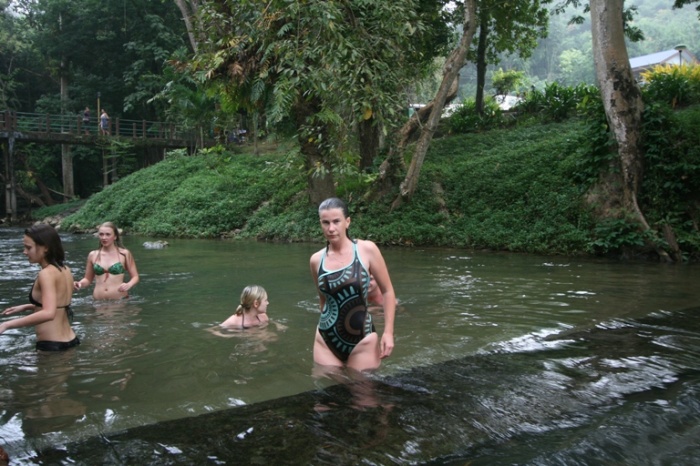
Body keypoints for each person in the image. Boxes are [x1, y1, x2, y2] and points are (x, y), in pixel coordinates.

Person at [309, 197, 396, 371]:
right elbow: (323, 301)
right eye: (325, 223)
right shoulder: (316, 260)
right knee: (328, 396)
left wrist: (388, 332)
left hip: (362, 340)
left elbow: (387, 292)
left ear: (347, 222)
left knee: (364, 396)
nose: (331, 228)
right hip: (325, 339)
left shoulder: (366, 250)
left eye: (336, 221)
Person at [0, 224, 80, 351]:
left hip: (51, 345)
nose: (24, 252)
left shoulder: (46, 274)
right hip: (71, 339)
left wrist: (7, 324)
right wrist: (26, 307)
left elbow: (49, 313)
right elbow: (58, 305)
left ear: (46, 248)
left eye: (28, 247)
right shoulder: (65, 269)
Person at [74, 222, 139, 300]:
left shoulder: (124, 254)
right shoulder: (93, 255)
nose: (104, 237)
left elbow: (135, 277)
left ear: (115, 237)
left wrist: (129, 284)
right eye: (101, 234)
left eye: (108, 234)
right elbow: (88, 279)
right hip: (98, 302)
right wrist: (79, 283)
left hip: (120, 301)